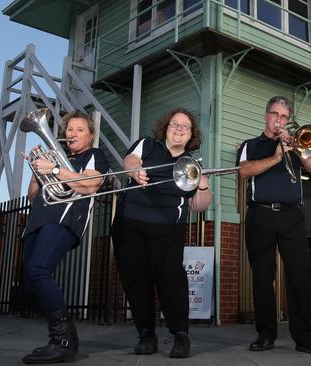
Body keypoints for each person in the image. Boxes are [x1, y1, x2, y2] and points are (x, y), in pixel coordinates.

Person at [111, 108, 211, 359]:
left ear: (191, 135)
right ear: (165, 128)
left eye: (185, 126)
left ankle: (180, 335)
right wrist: (134, 170)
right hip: (130, 224)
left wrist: (203, 183)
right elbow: (130, 159)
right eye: (174, 124)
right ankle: (146, 335)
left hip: (168, 229)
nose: (178, 129)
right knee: (136, 281)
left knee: (171, 280)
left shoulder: (192, 164)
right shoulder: (147, 144)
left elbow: (198, 206)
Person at [236, 96, 311, 354]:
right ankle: (266, 334)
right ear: (266, 115)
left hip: (291, 217)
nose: (279, 120)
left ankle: (304, 336)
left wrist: (297, 148)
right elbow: (244, 171)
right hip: (261, 214)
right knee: (263, 277)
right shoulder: (251, 145)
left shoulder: (296, 143)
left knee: (299, 274)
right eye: (275, 114)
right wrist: (276, 157)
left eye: (284, 116)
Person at [21, 111, 109, 364]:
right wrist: (37, 168)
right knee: (32, 279)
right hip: (38, 220)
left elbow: (90, 185)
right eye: (69, 129)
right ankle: (57, 338)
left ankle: (64, 341)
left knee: (39, 270)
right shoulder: (55, 157)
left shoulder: (94, 155)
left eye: (80, 129)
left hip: (65, 219)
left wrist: (55, 168)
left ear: (90, 136)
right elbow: (32, 195)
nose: (72, 133)